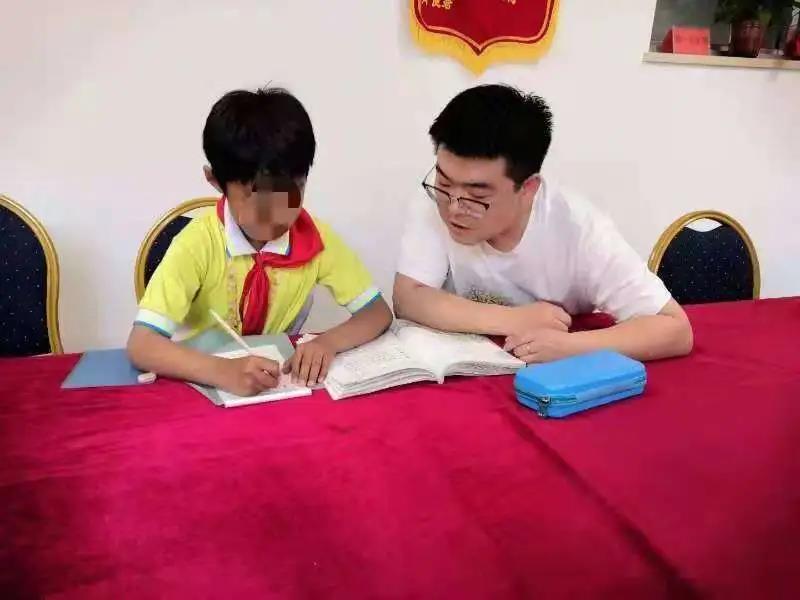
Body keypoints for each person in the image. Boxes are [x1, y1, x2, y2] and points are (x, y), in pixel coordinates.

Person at [393, 84, 692, 363]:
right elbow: (409, 298)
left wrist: (569, 347)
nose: (454, 208)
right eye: (444, 182)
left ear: (528, 188)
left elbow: (675, 328)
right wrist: (513, 319)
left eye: (477, 195)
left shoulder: (580, 228)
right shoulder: (437, 199)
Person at [128, 87, 392, 395]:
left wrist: (327, 343)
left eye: (293, 190)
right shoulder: (196, 244)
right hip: (203, 383)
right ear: (215, 181)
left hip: (273, 387)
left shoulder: (315, 239)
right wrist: (221, 371)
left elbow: (377, 313)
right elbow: (142, 345)